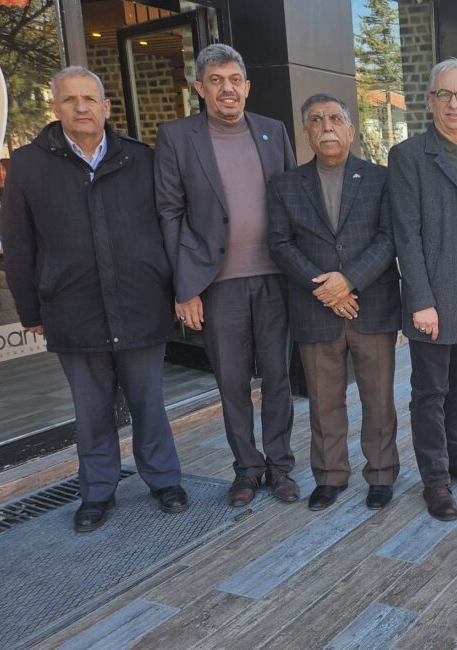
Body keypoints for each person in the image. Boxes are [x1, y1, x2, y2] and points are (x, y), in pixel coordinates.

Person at [1, 66, 187, 531]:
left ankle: (164, 480)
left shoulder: (141, 158)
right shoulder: (26, 165)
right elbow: (20, 246)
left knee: (149, 403)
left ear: (106, 107)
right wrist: (30, 309)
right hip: (72, 308)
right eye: (70, 100)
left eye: (89, 99)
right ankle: (97, 491)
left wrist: (175, 288)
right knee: (91, 410)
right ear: (55, 107)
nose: (81, 107)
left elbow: (170, 228)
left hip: (141, 303)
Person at [155, 44, 298, 507]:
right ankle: (247, 469)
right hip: (217, 285)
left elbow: (294, 202)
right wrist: (185, 287)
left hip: (276, 278)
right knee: (232, 383)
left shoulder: (273, 132)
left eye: (234, 79)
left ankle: (280, 466)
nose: (227, 89)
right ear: (200, 88)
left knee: (277, 378)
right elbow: (170, 213)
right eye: (216, 81)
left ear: (247, 86)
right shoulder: (177, 137)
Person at [267, 94, 401, 512]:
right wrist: (322, 288)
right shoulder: (285, 184)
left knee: (378, 399)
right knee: (324, 402)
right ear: (306, 132)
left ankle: (380, 474)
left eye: (335, 118)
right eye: (316, 120)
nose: (326, 125)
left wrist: (349, 281)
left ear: (350, 129)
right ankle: (330, 476)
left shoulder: (380, 178)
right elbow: (279, 242)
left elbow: (389, 237)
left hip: (372, 307)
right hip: (314, 309)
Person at [388, 59, 457, 521]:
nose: (454, 103)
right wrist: (421, 301)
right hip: (434, 295)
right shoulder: (409, 155)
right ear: (431, 100)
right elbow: (405, 235)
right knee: (429, 391)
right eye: (444, 95)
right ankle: (435, 480)